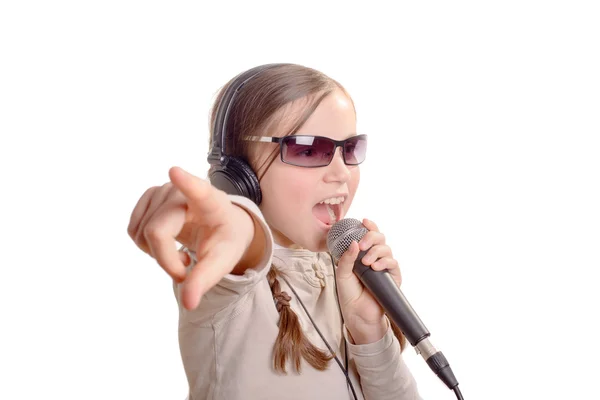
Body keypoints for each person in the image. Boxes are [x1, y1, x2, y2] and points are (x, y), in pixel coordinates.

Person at [127, 63, 422, 399]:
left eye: (350, 149)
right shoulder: (229, 279)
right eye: (309, 149)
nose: (342, 173)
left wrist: (368, 331)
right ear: (240, 175)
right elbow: (241, 241)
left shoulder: (342, 272)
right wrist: (233, 222)